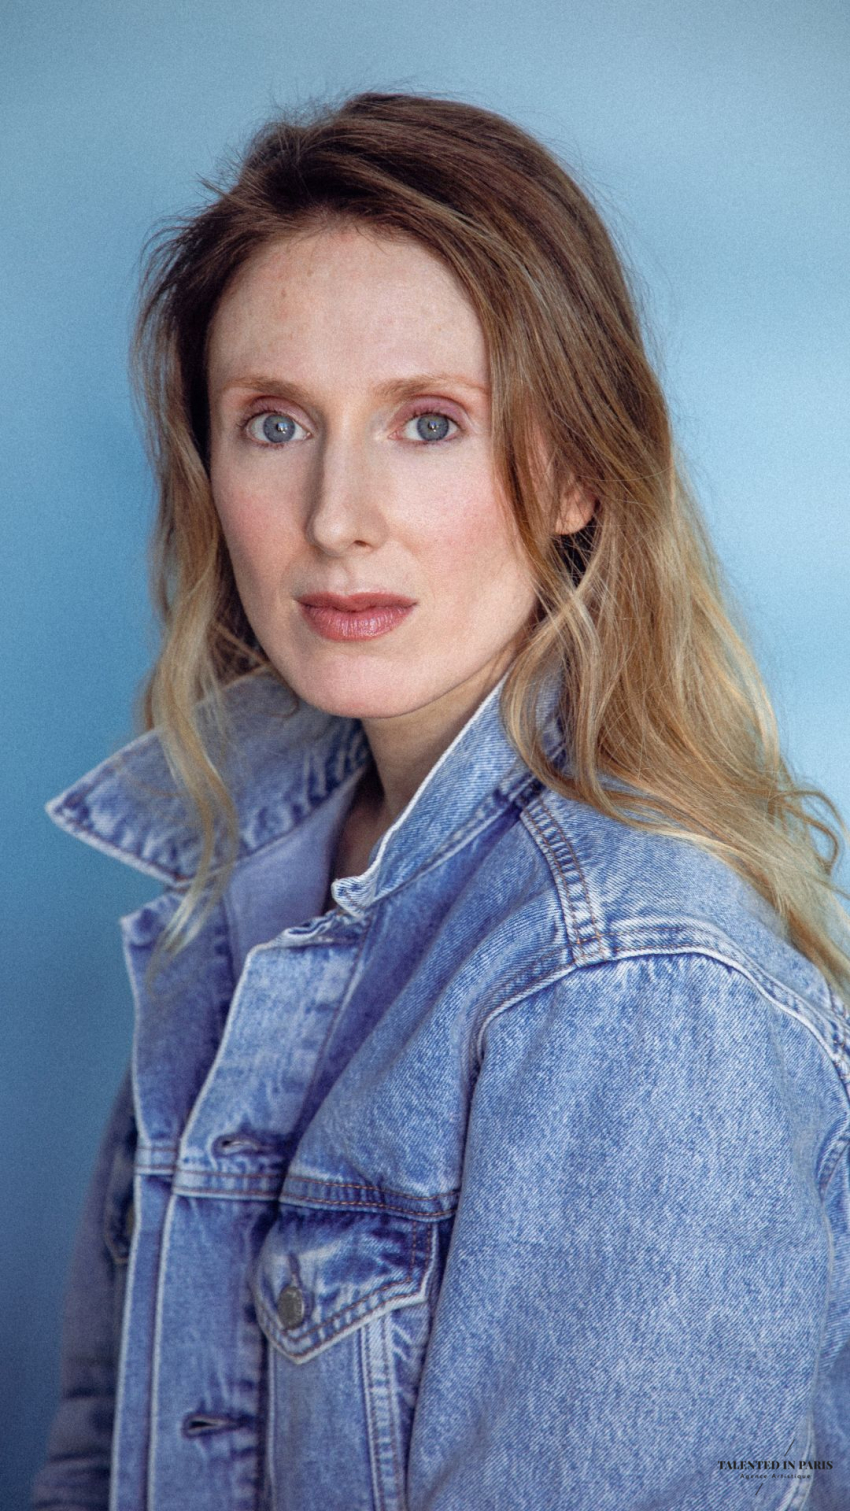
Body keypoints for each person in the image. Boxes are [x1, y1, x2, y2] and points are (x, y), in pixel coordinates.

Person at [34, 92, 850, 1511]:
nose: (336, 515)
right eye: (274, 422)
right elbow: (104, 1444)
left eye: (428, 421)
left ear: (577, 473)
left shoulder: (626, 982)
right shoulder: (239, 898)